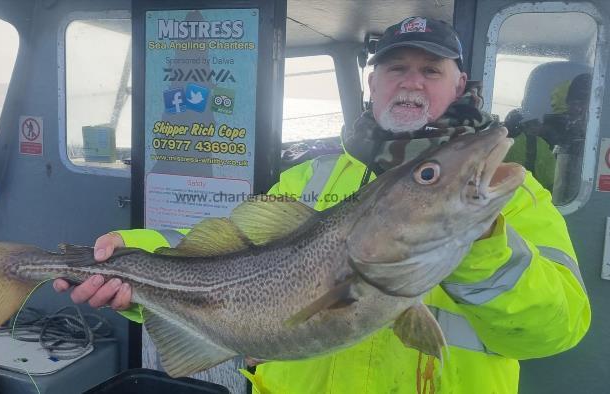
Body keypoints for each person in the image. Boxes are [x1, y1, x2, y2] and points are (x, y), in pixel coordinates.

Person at [54, 17, 590, 393]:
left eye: (431, 71)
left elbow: (557, 331)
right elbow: (221, 252)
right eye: (395, 68)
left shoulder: (512, 202)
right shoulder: (309, 176)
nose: (410, 82)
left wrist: (482, 246)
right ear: (372, 83)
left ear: (460, 85)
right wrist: (132, 250)